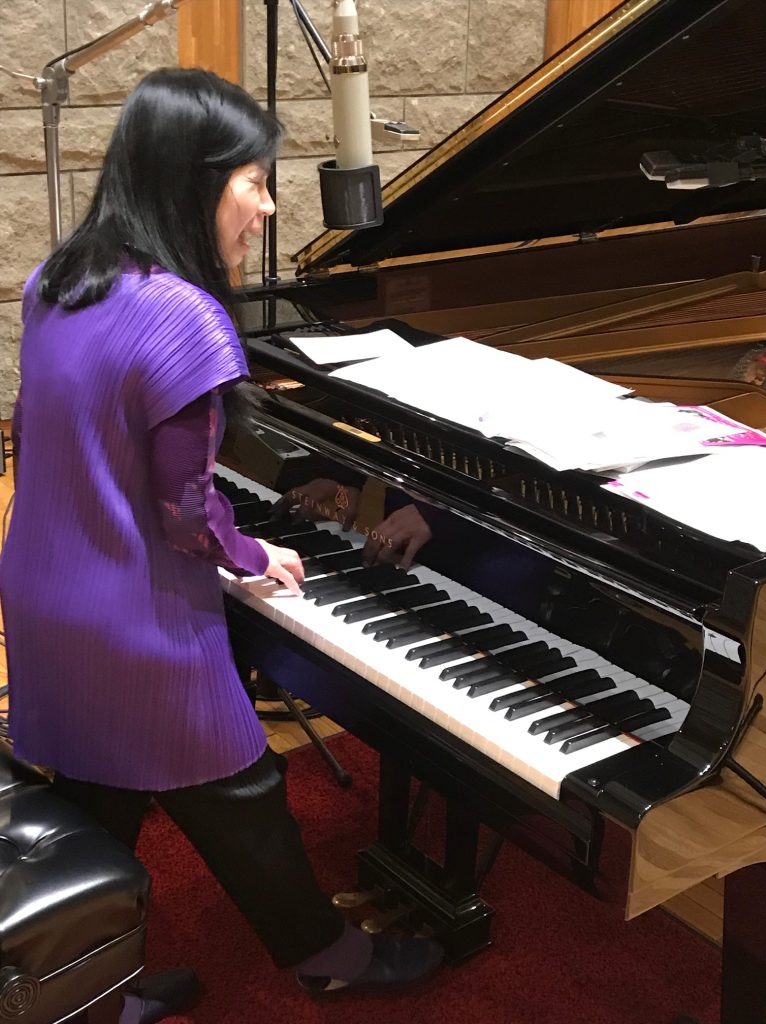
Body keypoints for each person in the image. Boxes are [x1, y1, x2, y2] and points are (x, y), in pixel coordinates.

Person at [0, 67, 443, 1021]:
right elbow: (187, 513)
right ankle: (330, 955)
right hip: (131, 617)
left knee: (97, 780)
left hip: (39, 589)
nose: (268, 206)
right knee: (240, 785)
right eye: (255, 181)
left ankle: (89, 982)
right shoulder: (185, 316)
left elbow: (38, 438)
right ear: (195, 181)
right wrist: (254, 555)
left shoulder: (56, 278)